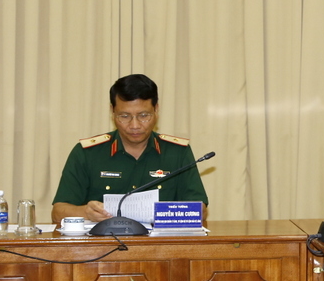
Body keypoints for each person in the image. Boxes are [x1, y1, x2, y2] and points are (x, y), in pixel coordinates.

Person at [52, 74, 208, 223]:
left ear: (156, 110)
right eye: (125, 116)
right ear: (112, 111)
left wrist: (164, 213)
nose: (135, 125)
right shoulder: (87, 153)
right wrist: (86, 212)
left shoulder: (177, 153)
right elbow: (58, 212)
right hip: (102, 247)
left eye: (143, 115)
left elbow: (200, 211)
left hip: (160, 246)